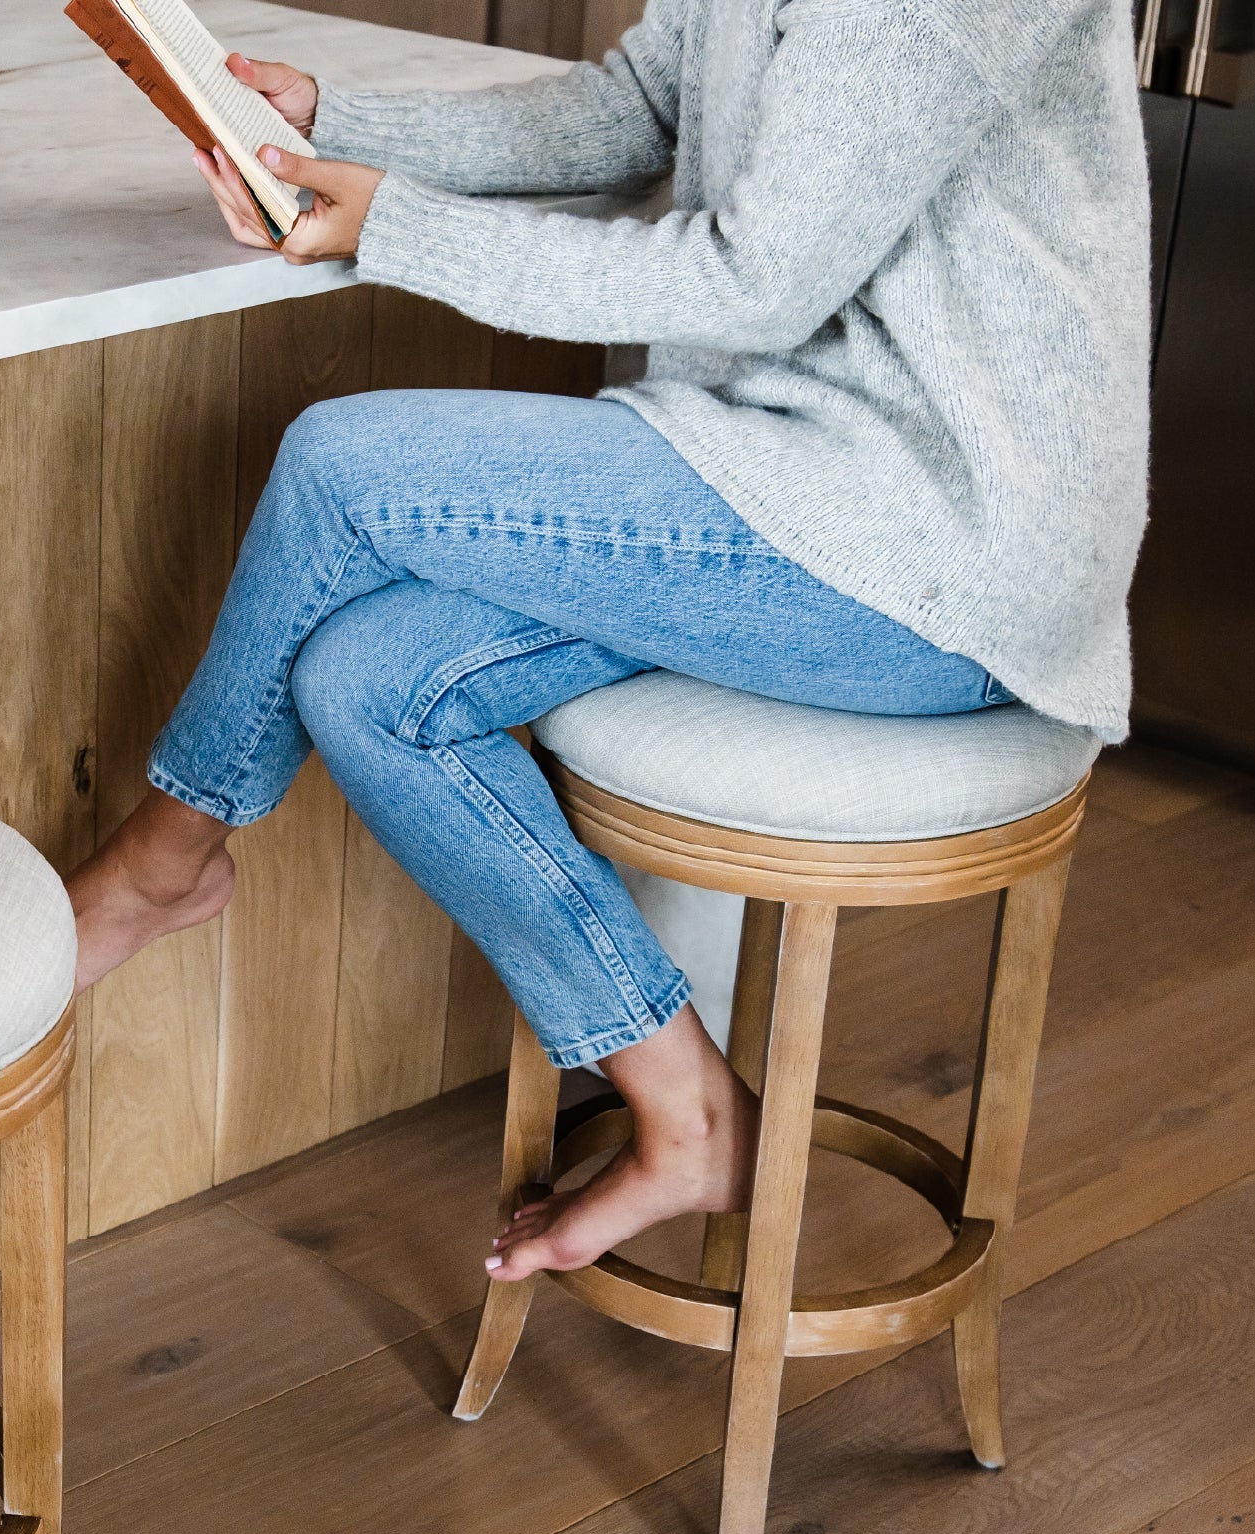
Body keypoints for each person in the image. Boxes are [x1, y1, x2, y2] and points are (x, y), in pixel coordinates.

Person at [65, 0, 1149, 1283]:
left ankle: (162, 861)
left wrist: (405, 227)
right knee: (366, 679)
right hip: (777, 477)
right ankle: (686, 1106)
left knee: (347, 465)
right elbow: (640, 104)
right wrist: (338, 128)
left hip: (935, 549)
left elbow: (759, 282)